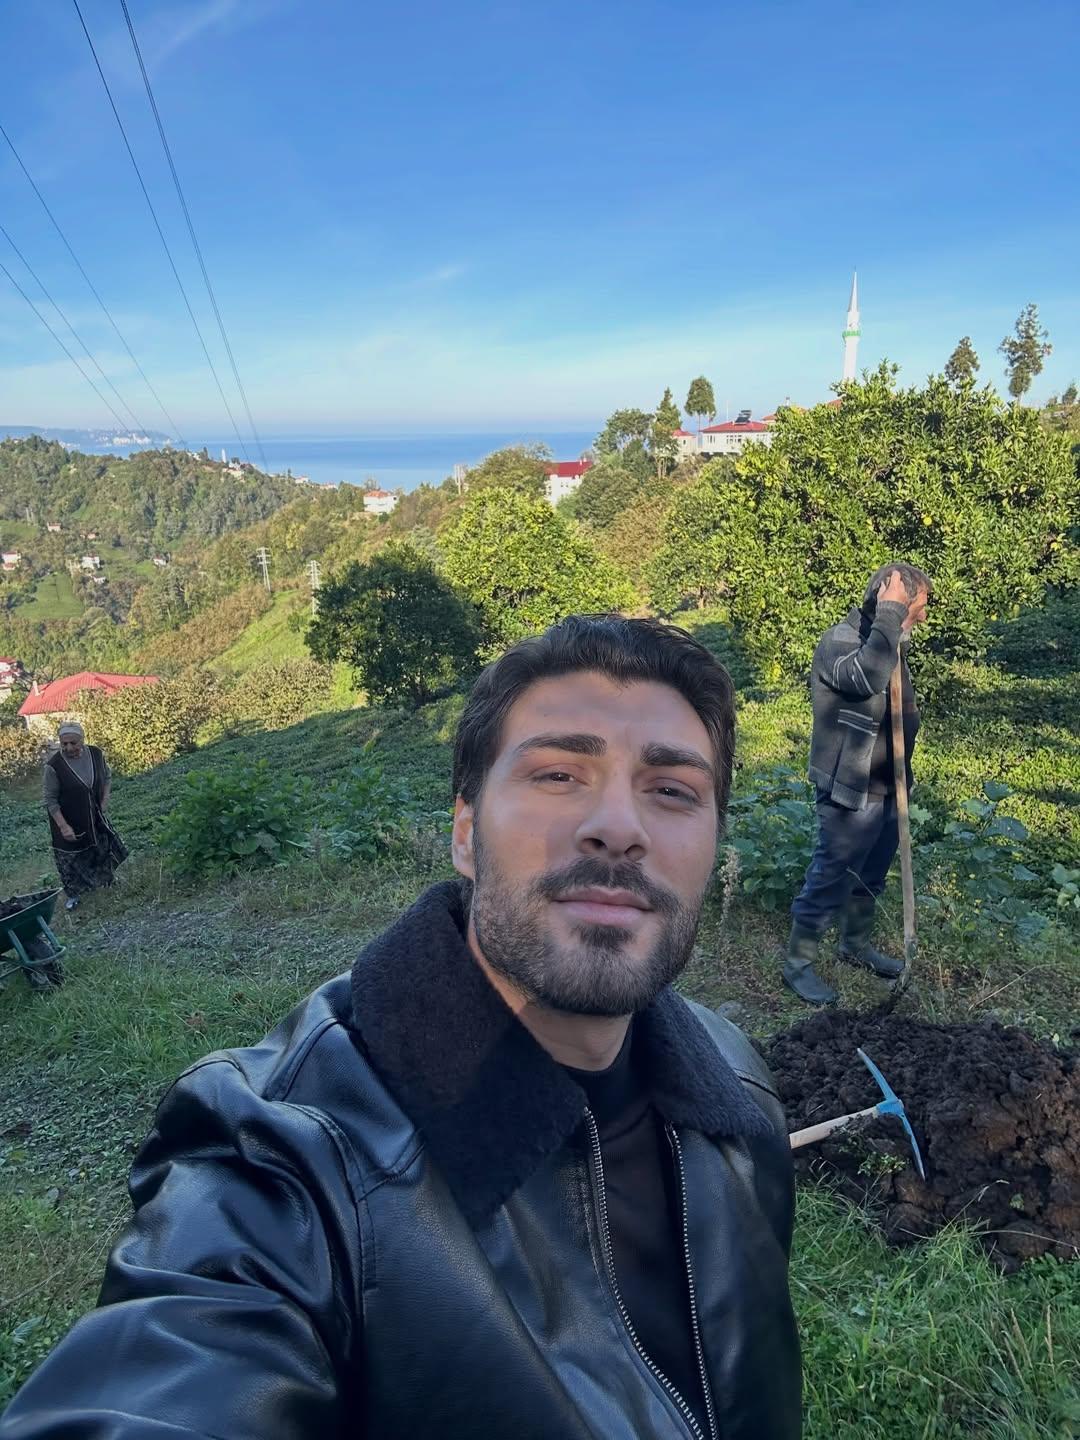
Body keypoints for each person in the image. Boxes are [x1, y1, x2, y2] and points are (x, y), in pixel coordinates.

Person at [2, 616, 802, 1440]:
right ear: (465, 833)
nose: (620, 826)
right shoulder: (291, 1155)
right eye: (559, 774)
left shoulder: (736, 1086)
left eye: (672, 791)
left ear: (714, 842)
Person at [784, 563, 933, 1005]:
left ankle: (854, 945)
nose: (923, 616)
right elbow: (867, 677)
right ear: (891, 602)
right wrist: (891, 614)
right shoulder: (840, 641)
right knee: (833, 872)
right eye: (917, 606)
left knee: (872, 873)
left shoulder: (890, 643)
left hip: (889, 782)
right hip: (850, 785)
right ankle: (798, 963)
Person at [44, 721, 127, 910]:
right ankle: (75, 896)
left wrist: (104, 800)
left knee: (101, 849)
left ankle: (106, 883)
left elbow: (107, 776)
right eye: (64, 744)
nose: (68, 748)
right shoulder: (54, 766)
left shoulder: (96, 754)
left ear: (82, 740)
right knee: (72, 858)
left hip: (94, 815)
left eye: (73, 743)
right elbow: (50, 799)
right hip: (68, 818)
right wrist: (63, 826)